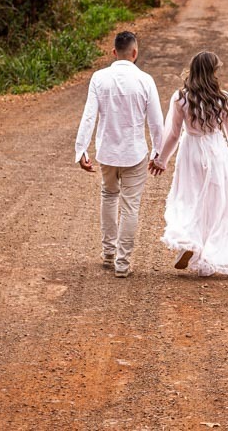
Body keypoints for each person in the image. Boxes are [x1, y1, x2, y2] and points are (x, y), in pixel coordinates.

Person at [149, 51, 228, 276]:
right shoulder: (224, 98)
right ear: (213, 72)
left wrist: (161, 159)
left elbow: (172, 133)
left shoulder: (181, 97)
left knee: (190, 198)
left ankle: (189, 241)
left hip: (190, 149)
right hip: (216, 151)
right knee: (217, 203)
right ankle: (208, 259)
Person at [75, 31, 164, 278]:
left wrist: (81, 148)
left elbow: (89, 115)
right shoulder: (145, 80)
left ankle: (108, 253)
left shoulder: (99, 78)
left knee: (108, 195)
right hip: (135, 153)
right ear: (135, 53)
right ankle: (122, 264)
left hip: (107, 152)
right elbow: (157, 123)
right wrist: (160, 153)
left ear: (114, 52)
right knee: (130, 206)